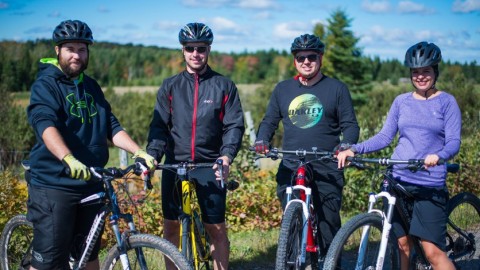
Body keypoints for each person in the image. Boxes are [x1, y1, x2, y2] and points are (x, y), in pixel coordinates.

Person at [26, 20, 155, 270]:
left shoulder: (91, 86)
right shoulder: (46, 85)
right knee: (51, 262)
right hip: (55, 183)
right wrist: (68, 158)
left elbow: (112, 127)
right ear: (58, 50)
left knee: (88, 256)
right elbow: (45, 124)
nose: (76, 55)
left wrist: (138, 151)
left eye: (82, 49)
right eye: (70, 49)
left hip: (91, 182)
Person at [337, 41, 461, 270]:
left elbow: (453, 142)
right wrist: (354, 149)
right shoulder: (401, 101)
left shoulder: (447, 102)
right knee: (402, 245)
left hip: (428, 185)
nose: (421, 76)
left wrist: (438, 155)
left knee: (432, 252)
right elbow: (385, 137)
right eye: (416, 72)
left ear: (435, 72)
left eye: (426, 71)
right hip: (398, 181)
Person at [146, 22, 245, 270]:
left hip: (209, 164)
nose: (195, 53)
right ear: (183, 50)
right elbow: (159, 127)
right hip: (175, 164)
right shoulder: (170, 86)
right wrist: (152, 156)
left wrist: (226, 157)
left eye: (201, 48)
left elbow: (234, 126)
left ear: (208, 49)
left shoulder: (224, 85)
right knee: (170, 227)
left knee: (216, 228)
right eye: (190, 48)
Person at [254, 33, 360, 258]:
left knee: (327, 226)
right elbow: (269, 121)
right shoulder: (283, 89)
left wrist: (347, 146)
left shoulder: (336, 88)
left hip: (326, 166)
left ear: (320, 58)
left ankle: (330, 263)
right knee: (291, 226)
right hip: (291, 164)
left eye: (311, 57)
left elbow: (350, 125)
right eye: (300, 58)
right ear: (295, 61)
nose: (306, 62)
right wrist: (262, 140)